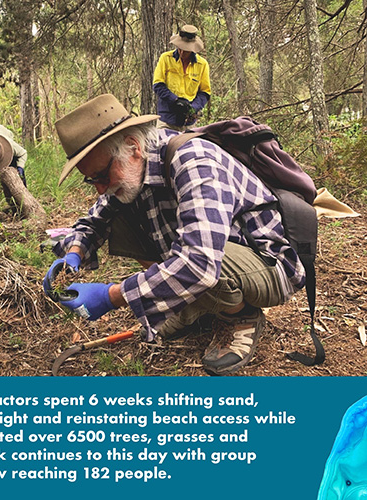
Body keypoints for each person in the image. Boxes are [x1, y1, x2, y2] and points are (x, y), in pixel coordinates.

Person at [42, 94, 306, 376]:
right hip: (214, 258)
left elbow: (199, 263)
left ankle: (241, 316)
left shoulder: (195, 161)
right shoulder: (135, 167)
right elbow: (92, 223)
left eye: (103, 175)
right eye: (92, 179)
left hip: (268, 267)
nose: (99, 188)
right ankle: (191, 307)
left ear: (133, 147)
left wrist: (112, 296)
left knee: (203, 258)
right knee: (120, 211)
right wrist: (72, 256)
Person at [153, 24, 211, 130]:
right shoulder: (165, 59)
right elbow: (158, 85)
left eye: (186, 50)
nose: (182, 52)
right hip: (166, 120)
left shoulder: (202, 64)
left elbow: (205, 92)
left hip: (188, 123)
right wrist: (175, 100)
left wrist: (193, 108)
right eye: (180, 48)